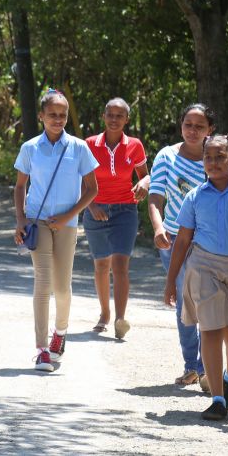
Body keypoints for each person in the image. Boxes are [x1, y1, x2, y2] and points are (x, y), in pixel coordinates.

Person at [163, 134, 228, 420]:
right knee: (209, 329)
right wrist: (171, 281)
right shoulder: (195, 196)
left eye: (220, 156)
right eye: (208, 157)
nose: (213, 162)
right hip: (203, 266)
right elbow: (182, 241)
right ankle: (218, 399)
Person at [13, 88, 99, 372]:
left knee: (62, 287)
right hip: (37, 222)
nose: (58, 119)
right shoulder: (29, 148)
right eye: (52, 114)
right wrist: (21, 220)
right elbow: (20, 186)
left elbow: (92, 189)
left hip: (68, 224)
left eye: (62, 115)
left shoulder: (78, 148)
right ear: (41, 116)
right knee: (43, 283)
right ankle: (41, 350)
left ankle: (59, 333)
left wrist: (68, 216)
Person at [148, 103, 216, 390]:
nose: (193, 130)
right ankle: (194, 366)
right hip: (174, 241)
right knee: (184, 302)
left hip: (209, 242)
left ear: (209, 130)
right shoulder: (166, 156)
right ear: (181, 126)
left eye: (199, 126)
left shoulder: (217, 157)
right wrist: (158, 227)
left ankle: (207, 368)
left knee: (207, 302)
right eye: (188, 124)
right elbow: (155, 198)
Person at [83, 98, 149, 339]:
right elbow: (80, 180)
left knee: (121, 264)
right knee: (101, 265)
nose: (114, 119)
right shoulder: (90, 144)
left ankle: (120, 319)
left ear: (126, 120)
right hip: (96, 209)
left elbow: (145, 176)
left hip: (125, 211)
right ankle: (104, 314)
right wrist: (91, 205)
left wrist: (143, 182)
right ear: (104, 116)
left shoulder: (135, 145)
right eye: (110, 114)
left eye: (119, 116)